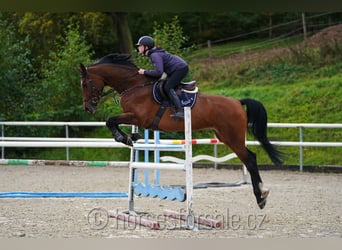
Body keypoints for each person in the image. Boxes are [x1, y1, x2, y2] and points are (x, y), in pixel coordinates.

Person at [136, 35, 188, 119]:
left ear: (146, 47)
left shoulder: (154, 55)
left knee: (168, 87)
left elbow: (158, 72)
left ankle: (180, 111)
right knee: (163, 84)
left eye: (140, 46)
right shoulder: (154, 54)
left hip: (180, 69)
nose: (138, 48)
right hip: (176, 69)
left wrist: (144, 72)